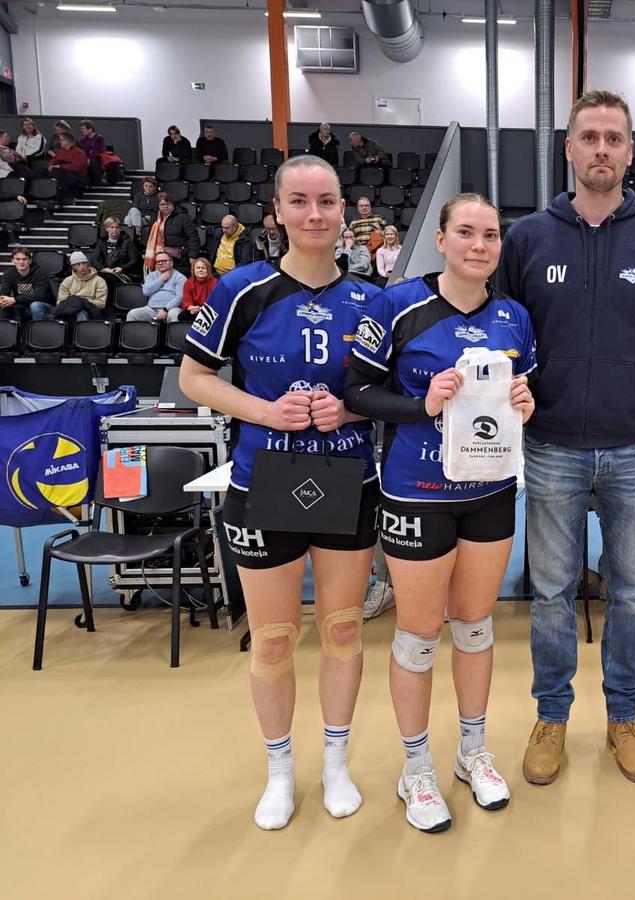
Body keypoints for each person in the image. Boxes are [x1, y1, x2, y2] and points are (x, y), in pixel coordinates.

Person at [495, 89, 635, 787]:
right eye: (590, 137)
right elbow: (509, 331)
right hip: (551, 443)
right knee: (551, 593)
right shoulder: (527, 238)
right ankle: (551, 715)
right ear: (570, 149)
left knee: (633, 593)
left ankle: (624, 716)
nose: (602, 149)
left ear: (630, 151)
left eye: (614, 138)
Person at [178, 153, 381, 831]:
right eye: (300, 201)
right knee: (271, 638)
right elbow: (194, 378)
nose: (314, 214)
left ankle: (336, 763)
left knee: (343, 628)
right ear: (277, 211)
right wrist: (265, 412)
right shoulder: (241, 289)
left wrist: (351, 409)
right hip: (264, 479)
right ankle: (279, 770)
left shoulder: (371, 300)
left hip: (349, 478)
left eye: (326, 201)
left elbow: (390, 389)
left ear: (344, 210)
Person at [343, 192, 536, 833]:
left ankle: (473, 752)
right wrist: (421, 404)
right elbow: (357, 392)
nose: (479, 245)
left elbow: (526, 391)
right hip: (417, 492)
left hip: (490, 492)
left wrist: (526, 402)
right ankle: (416, 766)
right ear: (442, 240)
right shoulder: (397, 305)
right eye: (467, 232)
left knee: (475, 626)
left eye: (490, 235)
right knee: (420, 633)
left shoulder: (514, 316)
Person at [40, 251, 107, 321]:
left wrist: (82, 301)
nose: (82, 267)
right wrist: (74, 304)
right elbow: (60, 301)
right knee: (37, 306)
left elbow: (101, 304)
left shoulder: (99, 281)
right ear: (73, 267)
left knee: (80, 312)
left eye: (84, 263)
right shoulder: (67, 281)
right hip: (69, 309)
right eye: (78, 264)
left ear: (88, 264)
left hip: (90, 311)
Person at [142, 193, 201, 271]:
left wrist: (192, 256)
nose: (165, 206)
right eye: (162, 204)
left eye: (168, 204)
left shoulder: (183, 217)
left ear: (173, 204)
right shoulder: (155, 218)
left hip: (179, 260)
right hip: (159, 259)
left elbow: (193, 237)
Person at [0, 247, 54, 321]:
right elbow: (3, 293)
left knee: (35, 305)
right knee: (3, 305)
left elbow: (38, 296)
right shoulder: (9, 273)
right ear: (12, 261)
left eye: (24, 259)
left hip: (43, 305)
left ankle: (38, 327)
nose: (21, 262)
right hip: (21, 304)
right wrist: (2, 300)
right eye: (17, 259)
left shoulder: (40, 273)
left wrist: (14, 299)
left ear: (30, 261)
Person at [130, 251, 186, 322]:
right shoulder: (152, 275)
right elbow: (146, 292)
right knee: (132, 314)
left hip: (171, 309)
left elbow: (180, 297)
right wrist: (160, 280)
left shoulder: (180, 277)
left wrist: (166, 309)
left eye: (164, 261)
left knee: (174, 314)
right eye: (158, 261)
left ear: (171, 263)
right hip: (151, 309)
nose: (160, 263)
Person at [90, 216, 140, 293]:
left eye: (117, 227)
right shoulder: (102, 241)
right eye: (112, 227)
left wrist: (122, 268)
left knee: (109, 279)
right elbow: (94, 259)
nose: (114, 230)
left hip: (123, 273)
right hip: (106, 271)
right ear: (106, 229)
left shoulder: (127, 241)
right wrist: (104, 269)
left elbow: (134, 260)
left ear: (120, 229)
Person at [48, 132, 87, 199]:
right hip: (59, 173)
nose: (59, 142)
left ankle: (64, 196)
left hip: (74, 176)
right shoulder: (60, 152)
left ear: (67, 141)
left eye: (61, 140)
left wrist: (60, 166)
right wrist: (50, 166)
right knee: (42, 172)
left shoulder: (79, 152)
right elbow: (52, 161)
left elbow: (77, 166)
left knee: (60, 172)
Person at [178, 257, 218, 321]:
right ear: (193, 270)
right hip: (193, 309)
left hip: (209, 310)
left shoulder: (215, 282)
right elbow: (186, 300)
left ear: (208, 270)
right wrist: (191, 307)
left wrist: (201, 309)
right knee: (182, 316)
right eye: (198, 268)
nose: (200, 270)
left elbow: (215, 301)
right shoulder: (189, 282)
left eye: (203, 268)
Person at [77, 120, 106, 185]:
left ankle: (97, 181)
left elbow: (100, 150)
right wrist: (87, 157)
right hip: (86, 158)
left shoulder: (99, 138)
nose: (82, 130)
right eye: (81, 129)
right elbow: (83, 151)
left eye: (83, 129)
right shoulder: (82, 140)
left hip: (98, 159)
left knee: (93, 160)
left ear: (90, 129)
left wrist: (89, 157)